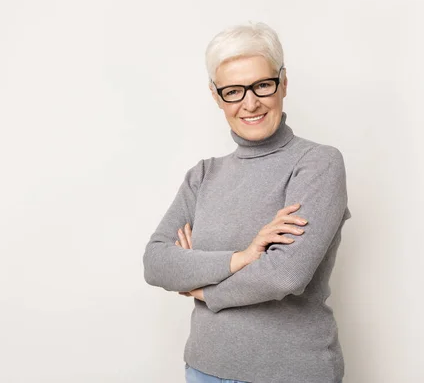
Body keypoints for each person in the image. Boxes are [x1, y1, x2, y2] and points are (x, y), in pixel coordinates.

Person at [143, 22, 351, 383]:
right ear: (215, 95)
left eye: (262, 85)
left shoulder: (317, 164)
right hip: (204, 368)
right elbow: (156, 262)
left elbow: (284, 274)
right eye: (233, 92)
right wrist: (244, 257)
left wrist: (203, 289)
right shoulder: (203, 175)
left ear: (283, 83)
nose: (250, 103)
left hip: (291, 372)